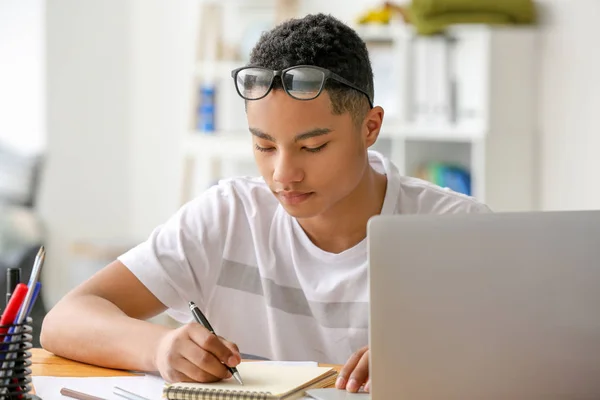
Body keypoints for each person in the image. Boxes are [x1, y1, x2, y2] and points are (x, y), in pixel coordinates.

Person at [40, 13, 491, 393]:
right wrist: (157, 348)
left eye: (312, 147)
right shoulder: (228, 215)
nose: (283, 174)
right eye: (264, 145)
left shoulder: (458, 230)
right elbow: (64, 320)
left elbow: (538, 354)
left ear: (370, 128)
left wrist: (437, 356)